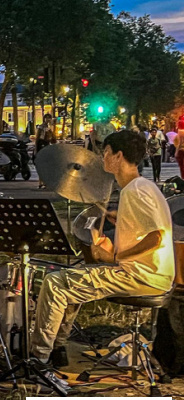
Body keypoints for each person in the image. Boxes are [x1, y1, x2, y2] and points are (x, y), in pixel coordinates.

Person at [32, 130, 174, 386]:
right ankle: (58, 348)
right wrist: (122, 219)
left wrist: (117, 256)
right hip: (154, 275)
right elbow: (148, 226)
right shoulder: (144, 186)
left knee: (55, 282)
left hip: (141, 276)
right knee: (74, 280)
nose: (102, 157)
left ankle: (38, 360)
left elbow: (156, 238)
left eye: (106, 152)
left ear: (118, 156)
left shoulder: (135, 191)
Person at [35, 114, 56, 189]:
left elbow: (53, 138)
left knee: (47, 165)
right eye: (47, 118)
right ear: (44, 119)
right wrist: (36, 149)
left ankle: (45, 182)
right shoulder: (41, 127)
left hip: (47, 145)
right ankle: (41, 182)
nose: (48, 120)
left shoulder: (49, 128)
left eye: (49, 118)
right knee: (42, 164)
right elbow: (37, 138)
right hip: (42, 145)